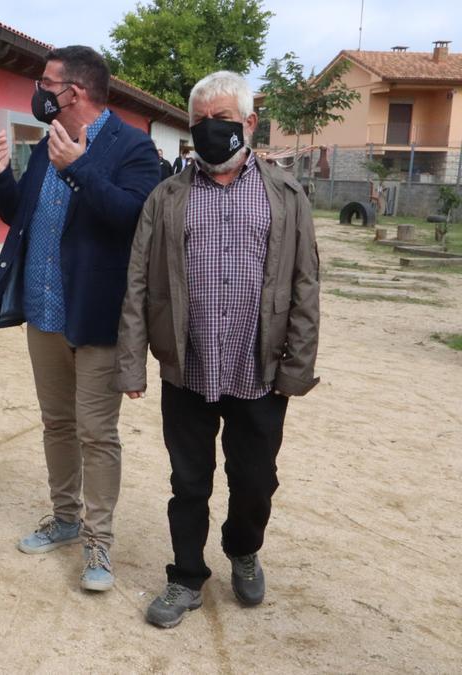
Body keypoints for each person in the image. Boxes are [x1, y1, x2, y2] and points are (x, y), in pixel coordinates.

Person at [115, 71, 320, 628]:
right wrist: (133, 362)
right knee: (189, 482)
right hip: (188, 368)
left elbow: (305, 284)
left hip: (260, 371)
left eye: (222, 120)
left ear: (250, 123)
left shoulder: (286, 195)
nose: (210, 131)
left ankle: (243, 548)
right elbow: (137, 282)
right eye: (199, 122)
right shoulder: (166, 197)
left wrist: (296, 367)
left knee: (255, 481)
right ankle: (184, 577)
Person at [0, 46, 159, 591]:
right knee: (57, 423)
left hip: (97, 319)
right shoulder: (48, 141)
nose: (40, 91)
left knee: (96, 432)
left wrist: (77, 169)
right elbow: (23, 215)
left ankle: (98, 544)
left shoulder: (134, 147)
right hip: (44, 314)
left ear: (74, 91)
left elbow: (134, 218)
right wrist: (0, 178)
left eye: (45, 83)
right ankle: (63, 518)